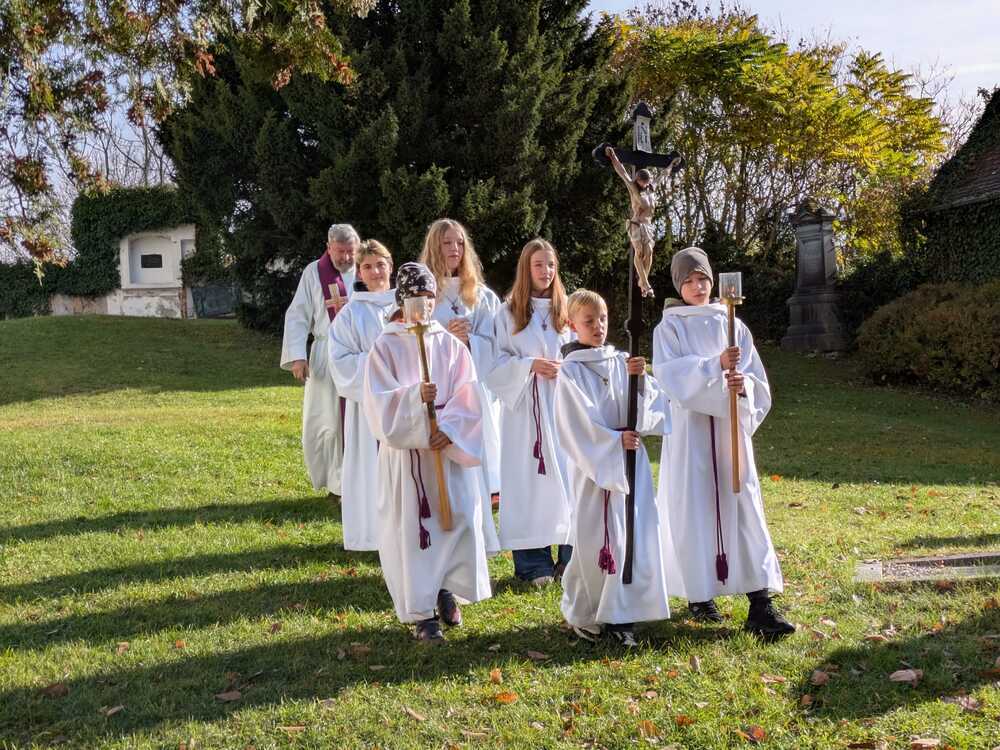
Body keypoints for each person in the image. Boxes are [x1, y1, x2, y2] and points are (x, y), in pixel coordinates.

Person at [653, 247, 794, 640]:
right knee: (697, 507)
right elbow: (670, 376)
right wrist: (713, 367)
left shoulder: (732, 322)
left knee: (743, 506)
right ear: (678, 286)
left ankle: (760, 602)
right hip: (692, 434)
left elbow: (756, 379)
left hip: (729, 432)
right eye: (689, 281)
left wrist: (742, 386)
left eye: (703, 279)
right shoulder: (669, 328)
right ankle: (700, 594)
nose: (698, 287)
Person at [363, 262, 491, 642]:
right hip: (408, 461)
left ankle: (445, 588)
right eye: (416, 297)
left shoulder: (449, 345)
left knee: (456, 518)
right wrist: (415, 403)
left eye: (429, 297)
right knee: (416, 532)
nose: (424, 305)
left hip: (445, 452)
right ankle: (423, 613)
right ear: (402, 301)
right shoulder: (385, 347)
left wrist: (446, 429)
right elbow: (378, 403)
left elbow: (469, 393)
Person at [554, 290, 672, 647]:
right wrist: (612, 441)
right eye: (589, 321)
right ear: (572, 324)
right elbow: (575, 424)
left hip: (630, 460)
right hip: (596, 468)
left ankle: (624, 613)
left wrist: (639, 380)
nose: (598, 326)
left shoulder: (621, 361)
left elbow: (650, 409)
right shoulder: (571, 371)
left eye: (602, 319)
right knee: (598, 539)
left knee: (632, 535)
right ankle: (588, 611)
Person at [485, 238, 574, 586]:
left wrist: (567, 368)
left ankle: (569, 557)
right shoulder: (508, 314)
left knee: (568, 479)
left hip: (562, 407)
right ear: (526, 268)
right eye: (539, 264)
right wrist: (529, 365)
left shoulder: (566, 310)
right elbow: (494, 365)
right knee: (529, 483)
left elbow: (584, 349)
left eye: (551, 265)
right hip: (525, 412)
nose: (546, 271)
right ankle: (533, 563)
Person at [418, 218, 502, 553]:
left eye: (459, 243)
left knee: (473, 464)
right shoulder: (424, 295)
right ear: (434, 248)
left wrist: (470, 341)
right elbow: (415, 340)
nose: (454, 249)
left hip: (472, 390)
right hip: (440, 391)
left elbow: (496, 343)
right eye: (447, 243)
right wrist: (446, 339)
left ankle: (478, 532)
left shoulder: (481, 296)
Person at [280, 224, 359, 496]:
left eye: (351, 251)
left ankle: (361, 482)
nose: (346, 258)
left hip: (359, 357)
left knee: (358, 421)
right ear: (328, 248)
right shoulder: (314, 273)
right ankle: (337, 485)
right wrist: (298, 357)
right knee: (329, 421)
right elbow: (298, 315)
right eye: (340, 251)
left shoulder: (366, 270)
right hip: (326, 355)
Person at [329, 239, 397, 551]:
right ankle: (375, 534)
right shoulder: (350, 315)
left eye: (380, 265)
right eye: (368, 267)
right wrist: (378, 363)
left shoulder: (407, 306)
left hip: (406, 402)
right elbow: (340, 363)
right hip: (368, 407)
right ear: (359, 272)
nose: (375, 272)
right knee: (372, 470)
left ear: (390, 266)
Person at [607, 145, 658, 299]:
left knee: (649, 253)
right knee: (639, 252)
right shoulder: (633, 188)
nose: (645, 185)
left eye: (647, 183)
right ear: (638, 180)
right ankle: (646, 284)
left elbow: (664, 175)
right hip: (635, 224)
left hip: (648, 226)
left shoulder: (651, 189)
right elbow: (622, 171)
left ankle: (643, 281)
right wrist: (613, 156)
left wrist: (670, 165)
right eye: (643, 182)